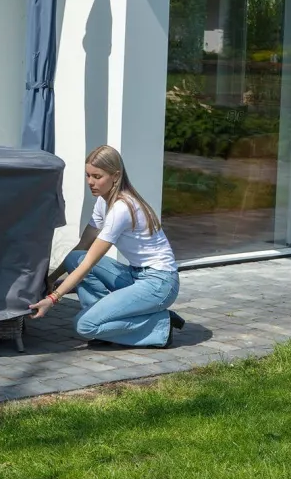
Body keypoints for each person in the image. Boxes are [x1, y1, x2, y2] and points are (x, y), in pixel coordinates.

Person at [29, 144, 185, 348]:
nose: (90, 182)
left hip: (160, 283)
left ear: (115, 176)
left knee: (84, 326)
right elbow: (83, 246)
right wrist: (51, 279)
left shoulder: (122, 209)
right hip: (135, 275)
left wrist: (52, 298)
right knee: (74, 258)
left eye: (97, 176)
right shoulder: (103, 202)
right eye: (88, 175)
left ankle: (161, 325)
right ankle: (103, 321)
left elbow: (88, 263)